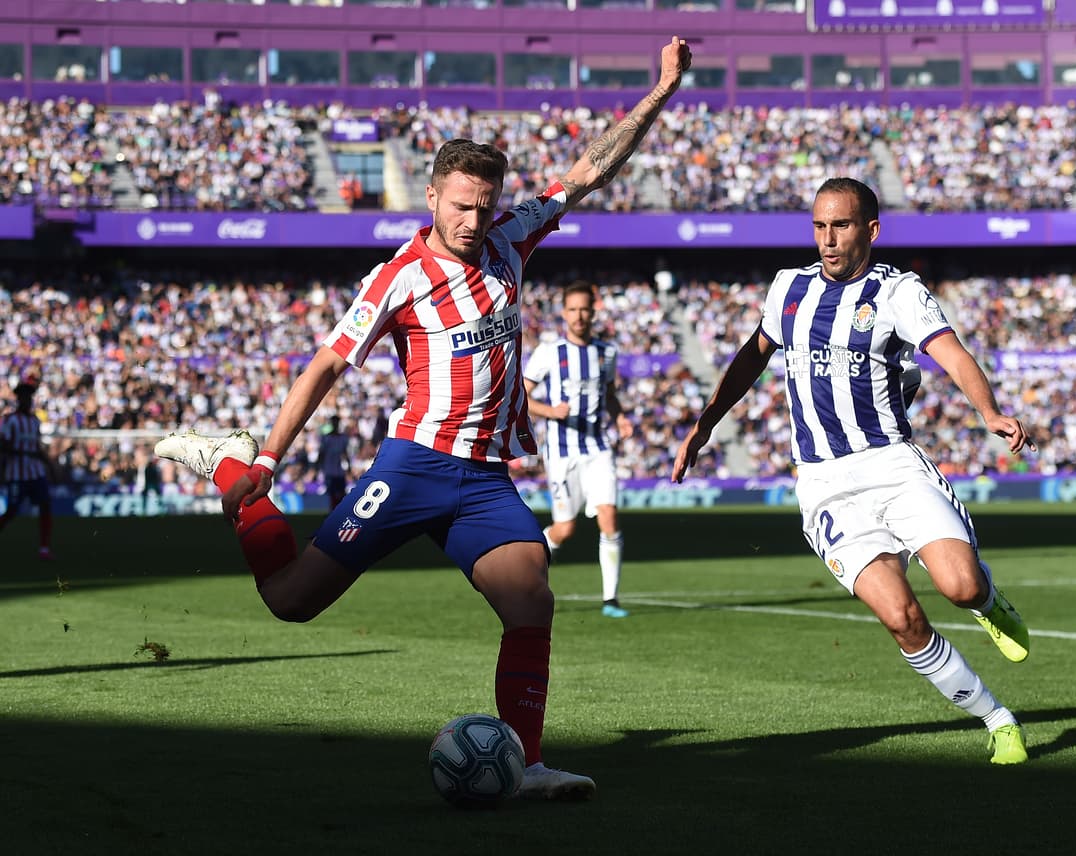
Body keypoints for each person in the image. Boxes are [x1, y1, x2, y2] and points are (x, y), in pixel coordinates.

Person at [156, 35, 693, 800]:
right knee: (290, 602)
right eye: (460, 206)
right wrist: (269, 458)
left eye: (483, 206)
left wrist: (660, 91)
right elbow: (326, 365)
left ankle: (527, 764)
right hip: (412, 466)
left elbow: (587, 172)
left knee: (531, 598)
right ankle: (230, 466)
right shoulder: (399, 277)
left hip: (482, 478)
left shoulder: (511, 239)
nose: (472, 221)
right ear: (433, 197)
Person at [671, 177, 1035, 765]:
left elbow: (952, 353)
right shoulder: (788, 289)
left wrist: (989, 412)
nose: (827, 239)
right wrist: (706, 421)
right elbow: (750, 357)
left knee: (961, 586)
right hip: (824, 485)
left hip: (892, 464)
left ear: (871, 230)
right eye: (819, 226)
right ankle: (998, 720)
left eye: (840, 225)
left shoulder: (898, 293)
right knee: (902, 618)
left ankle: (989, 602)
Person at [524, 282, 634, 619]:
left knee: (609, 517)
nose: (579, 316)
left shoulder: (606, 352)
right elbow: (521, 397)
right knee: (565, 529)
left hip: (598, 448)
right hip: (561, 452)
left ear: (593, 312)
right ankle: (527, 576)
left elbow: (609, 395)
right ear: (564, 313)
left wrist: (620, 417)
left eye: (585, 309)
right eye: (572, 309)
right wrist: (550, 411)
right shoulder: (549, 352)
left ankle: (611, 600)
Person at [0, 380, 55, 559]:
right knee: (12, 510)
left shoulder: (34, 421)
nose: (28, 401)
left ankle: (44, 548)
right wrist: (20, 452)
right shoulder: (10, 420)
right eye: (24, 397)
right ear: (19, 399)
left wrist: (49, 465)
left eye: (30, 397)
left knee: (45, 504)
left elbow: (37, 447)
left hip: (36, 472)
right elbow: (3, 444)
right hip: (16, 472)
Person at [317, 414, 352, 511]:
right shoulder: (326, 438)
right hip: (329, 470)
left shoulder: (343, 438)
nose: (335, 424)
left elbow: (345, 454)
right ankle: (333, 512)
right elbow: (321, 454)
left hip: (339, 471)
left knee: (341, 494)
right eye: (334, 422)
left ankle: (339, 512)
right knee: (332, 495)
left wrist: (349, 468)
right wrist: (318, 467)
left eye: (337, 422)